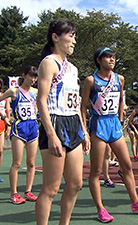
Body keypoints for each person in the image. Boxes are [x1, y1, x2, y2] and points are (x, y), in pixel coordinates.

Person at [81, 46, 138, 223]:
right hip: (98, 125)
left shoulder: (119, 78)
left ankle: (135, 202)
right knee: (96, 171)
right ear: (98, 60)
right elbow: (82, 107)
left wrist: (121, 118)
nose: (111, 59)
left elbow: (121, 99)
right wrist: (84, 131)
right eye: (107, 57)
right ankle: (100, 208)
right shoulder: (91, 80)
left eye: (113, 57)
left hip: (114, 124)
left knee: (127, 165)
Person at [35, 20, 90, 225]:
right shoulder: (49, 63)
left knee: (75, 183)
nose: (74, 40)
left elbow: (75, 105)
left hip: (73, 124)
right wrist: (51, 135)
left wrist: (83, 132)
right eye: (71, 35)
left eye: (75, 36)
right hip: (55, 123)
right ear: (55, 37)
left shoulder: (73, 69)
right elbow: (41, 100)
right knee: (51, 188)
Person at [0, 66, 39, 204]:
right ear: (24, 75)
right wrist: (5, 116)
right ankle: (14, 193)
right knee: (17, 163)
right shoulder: (14, 91)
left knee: (31, 162)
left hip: (33, 127)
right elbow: (1, 98)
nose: (33, 79)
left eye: (35, 77)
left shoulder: (36, 92)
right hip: (19, 128)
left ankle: (28, 191)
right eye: (31, 76)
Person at [0, 78, 11, 183]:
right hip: (2, 119)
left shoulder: (4, 97)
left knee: (0, 150)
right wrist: (4, 117)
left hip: (2, 125)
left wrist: (9, 126)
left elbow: (7, 110)